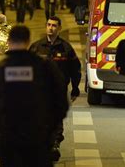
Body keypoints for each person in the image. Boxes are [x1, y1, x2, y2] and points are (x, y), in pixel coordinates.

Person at [0, 25, 69, 167]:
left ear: (9, 41)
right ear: (28, 41)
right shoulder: (44, 67)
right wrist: (51, 130)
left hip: (8, 139)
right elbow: (61, 101)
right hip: (38, 138)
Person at [29, 16, 81, 160]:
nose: (50, 28)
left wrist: (75, 87)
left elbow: (75, 69)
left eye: (54, 26)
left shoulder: (66, 48)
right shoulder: (36, 47)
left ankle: (55, 144)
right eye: (49, 25)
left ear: (59, 28)